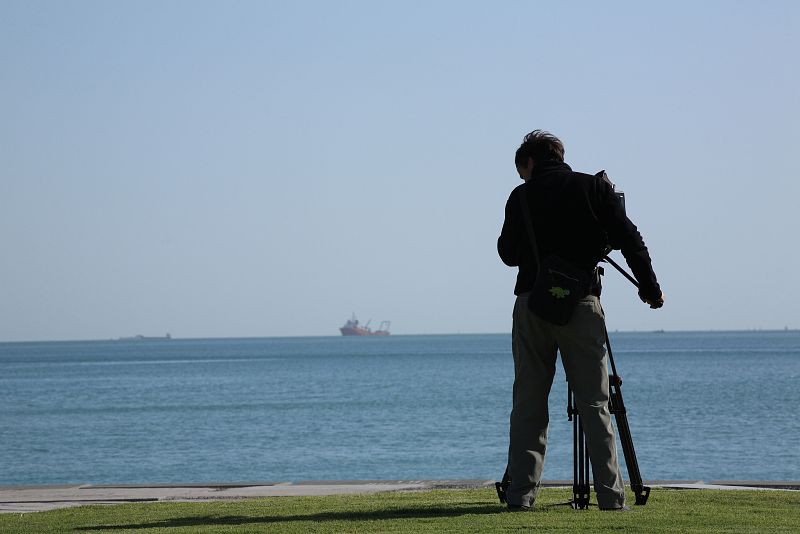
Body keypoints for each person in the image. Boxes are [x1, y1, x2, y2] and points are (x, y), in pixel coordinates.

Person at [497, 130, 664, 511]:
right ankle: (610, 496)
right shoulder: (594, 189)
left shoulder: (520, 196)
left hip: (532, 303)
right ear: (560, 155)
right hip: (583, 304)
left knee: (528, 403)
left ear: (529, 162)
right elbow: (630, 239)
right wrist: (649, 288)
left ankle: (521, 496)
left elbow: (507, 253)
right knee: (595, 403)